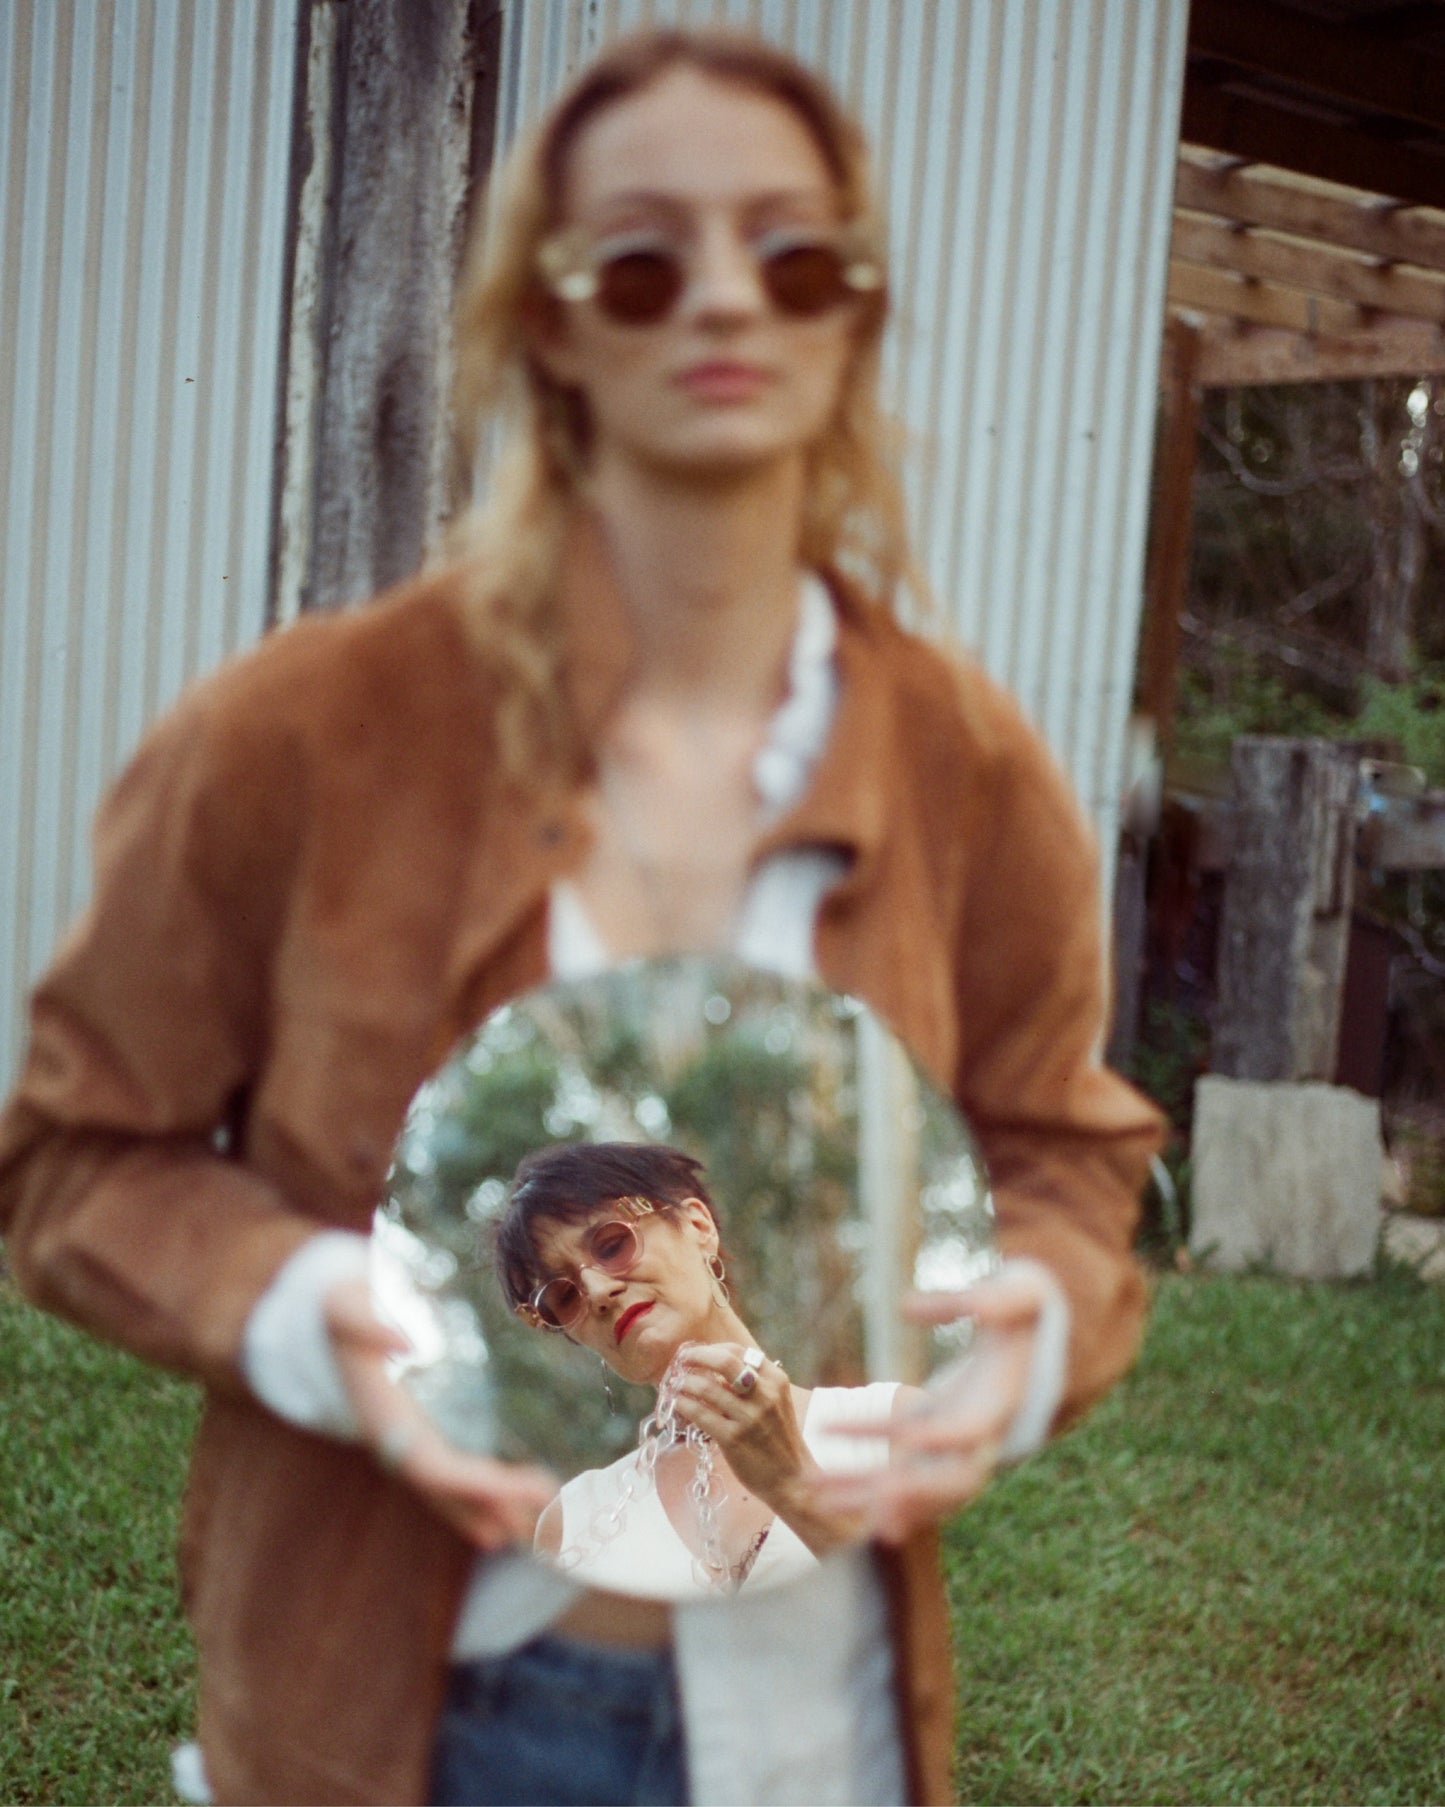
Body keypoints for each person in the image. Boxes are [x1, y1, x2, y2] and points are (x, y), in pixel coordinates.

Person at [0, 24, 1164, 1807]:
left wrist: (1033, 1324)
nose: (720, 299)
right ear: (545, 320)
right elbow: (77, 1156)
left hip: (817, 1731)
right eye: (639, 257)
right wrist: (324, 1313)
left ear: (851, 315)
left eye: (792, 255)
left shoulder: (960, 760)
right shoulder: (298, 735)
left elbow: (1069, 1150)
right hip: (425, 1719)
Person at [495, 1141, 904, 1598]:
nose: (596, 1290)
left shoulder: (893, 1427)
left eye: (612, 1244)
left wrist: (794, 1486)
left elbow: (955, 1635)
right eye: (564, 1297)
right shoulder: (571, 1524)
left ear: (698, 1225)